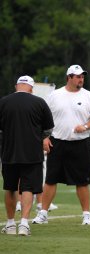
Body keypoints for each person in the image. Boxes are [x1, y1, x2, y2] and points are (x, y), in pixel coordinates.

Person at [33, 65, 90, 225]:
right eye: (78, 76)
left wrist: (85, 126)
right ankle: (43, 213)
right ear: (69, 78)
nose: (81, 79)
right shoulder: (54, 95)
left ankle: (86, 214)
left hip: (80, 144)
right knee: (51, 179)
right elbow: (41, 119)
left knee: (82, 181)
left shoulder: (88, 96)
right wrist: (44, 138)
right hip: (56, 142)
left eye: (82, 77)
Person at [0, 75, 54, 236]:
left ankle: (10, 224)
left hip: (9, 152)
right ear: (31, 88)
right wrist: (40, 137)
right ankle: (24, 224)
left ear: (16, 86)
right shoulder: (39, 102)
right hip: (32, 153)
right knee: (28, 188)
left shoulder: (3, 102)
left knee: (10, 187)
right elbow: (48, 128)